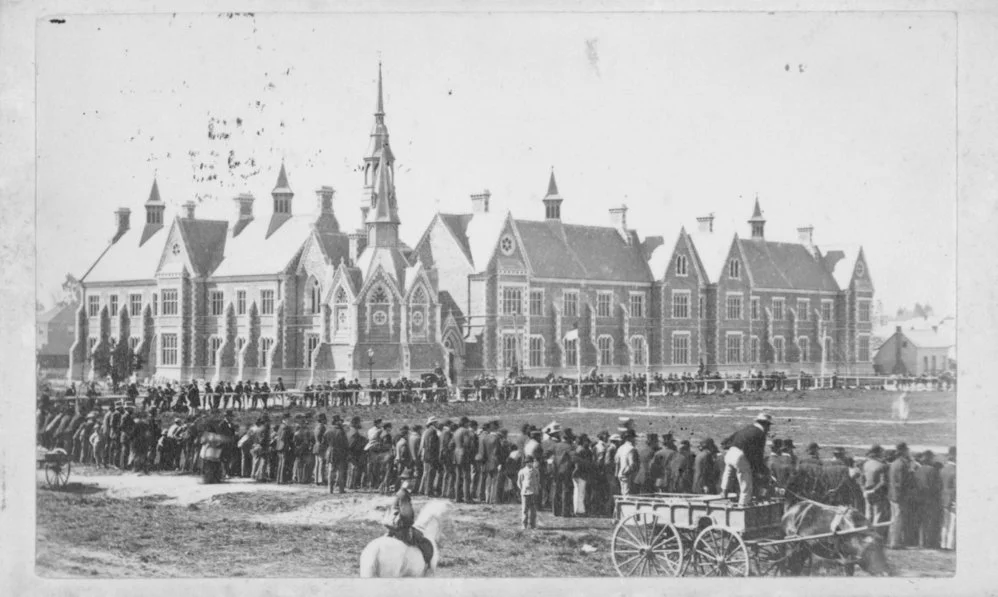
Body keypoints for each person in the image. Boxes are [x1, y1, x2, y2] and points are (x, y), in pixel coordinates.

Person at [383, 470, 433, 568]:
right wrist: (411, 524)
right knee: (424, 542)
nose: (412, 483)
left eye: (413, 481)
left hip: (394, 527)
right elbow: (406, 515)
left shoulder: (401, 493)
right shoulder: (403, 494)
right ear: (404, 481)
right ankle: (426, 566)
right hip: (402, 529)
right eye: (410, 481)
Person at [913, 450, 941, 549]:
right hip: (930, 499)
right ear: (929, 458)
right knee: (930, 521)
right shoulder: (933, 470)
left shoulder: (918, 470)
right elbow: (936, 486)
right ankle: (929, 542)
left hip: (919, 498)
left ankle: (921, 542)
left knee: (922, 521)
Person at [888, 442, 913, 549]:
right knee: (898, 519)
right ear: (903, 451)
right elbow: (902, 482)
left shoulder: (894, 463)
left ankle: (892, 541)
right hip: (899, 496)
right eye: (907, 450)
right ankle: (895, 543)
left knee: (894, 519)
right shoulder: (902, 464)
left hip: (893, 495)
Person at [862, 444, 889, 529]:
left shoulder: (866, 464)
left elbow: (862, 479)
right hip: (878, 492)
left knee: (868, 515)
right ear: (879, 453)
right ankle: (876, 536)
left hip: (866, 491)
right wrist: (874, 490)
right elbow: (883, 482)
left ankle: (867, 534)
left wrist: (864, 490)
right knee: (878, 515)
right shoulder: (883, 465)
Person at [518, 455, 541, 530]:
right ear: (525, 463)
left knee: (533, 510)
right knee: (524, 509)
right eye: (527, 462)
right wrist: (522, 489)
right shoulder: (522, 471)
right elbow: (519, 482)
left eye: (531, 462)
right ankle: (524, 524)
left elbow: (538, 481)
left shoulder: (536, 471)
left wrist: (536, 489)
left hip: (533, 492)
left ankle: (533, 525)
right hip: (525, 492)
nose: (529, 464)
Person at [940, 446, 956, 550]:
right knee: (952, 523)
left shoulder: (942, 469)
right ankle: (950, 545)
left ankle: (943, 544)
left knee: (944, 523)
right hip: (952, 499)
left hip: (943, 498)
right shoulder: (955, 471)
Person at [615, 430, 639, 496]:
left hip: (621, 473)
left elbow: (616, 461)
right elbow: (632, 464)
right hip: (628, 474)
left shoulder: (620, 448)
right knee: (628, 494)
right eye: (633, 438)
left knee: (623, 493)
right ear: (630, 438)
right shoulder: (632, 449)